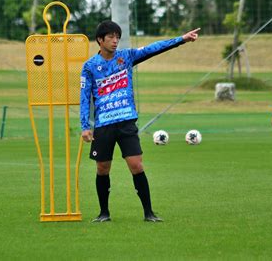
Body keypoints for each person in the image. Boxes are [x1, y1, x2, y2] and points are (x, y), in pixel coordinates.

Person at [80, 20, 200, 222]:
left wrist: (181, 39)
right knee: (102, 168)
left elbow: (153, 49)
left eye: (117, 37)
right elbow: (84, 97)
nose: (115, 41)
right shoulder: (90, 66)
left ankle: (149, 213)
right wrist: (85, 126)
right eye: (110, 37)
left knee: (136, 165)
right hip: (103, 125)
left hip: (126, 122)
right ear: (100, 40)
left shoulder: (126, 57)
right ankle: (104, 213)